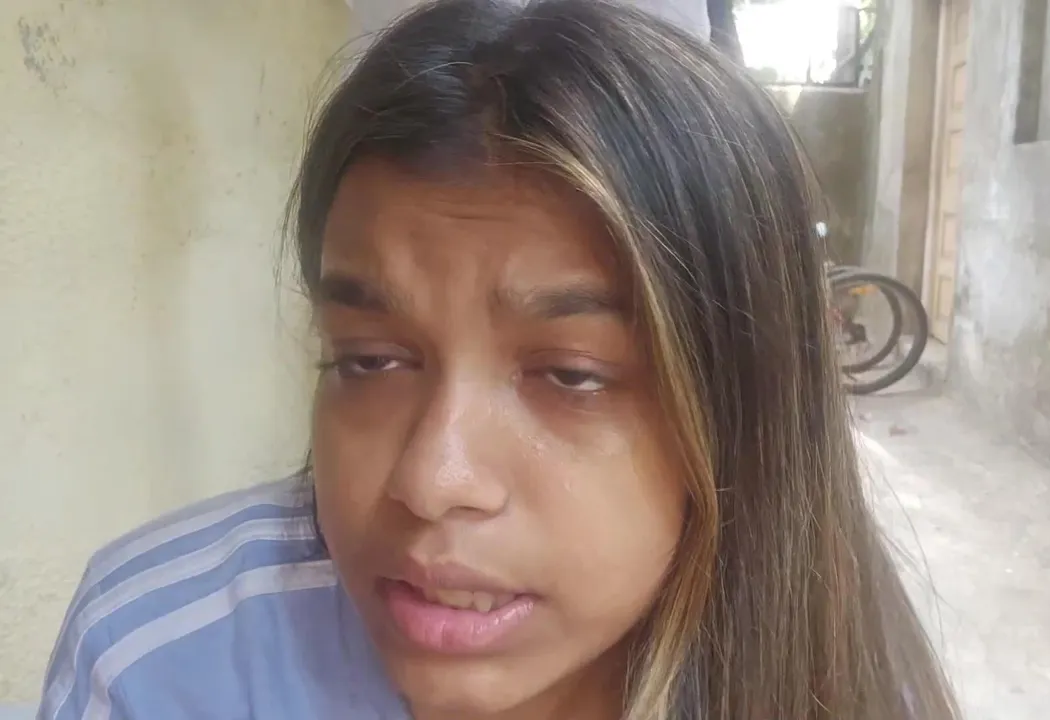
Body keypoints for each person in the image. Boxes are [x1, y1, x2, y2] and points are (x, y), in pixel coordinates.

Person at [37, 1, 958, 718]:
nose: (431, 481)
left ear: (743, 412)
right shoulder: (163, 662)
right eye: (368, 361)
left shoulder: (836, 685)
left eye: (571, 375)